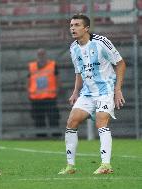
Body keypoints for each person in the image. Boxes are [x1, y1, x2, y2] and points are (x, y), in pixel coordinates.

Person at [58, 14, 126, 175]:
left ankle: (106, 165)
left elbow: (121, 63)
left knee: (101, 122)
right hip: (87, 93)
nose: (72, 28)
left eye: (76, 25)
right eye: (71, 25)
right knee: (71, 121)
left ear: (86, 28)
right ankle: (70, 167)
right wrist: (75, 92)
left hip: (105, 90)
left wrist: (117, 90)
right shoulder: (73, 47)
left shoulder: (101, 42)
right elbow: (79, 72)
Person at [27, 48, 60, 137]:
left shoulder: (52, 65)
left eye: (43, 54)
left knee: (53, 118)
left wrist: (57, 89)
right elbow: (28, 80)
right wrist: (29, 92)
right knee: (38, 119)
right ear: (37, 56)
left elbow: (57, 79)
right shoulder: (32, 66)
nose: (41, 56)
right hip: (36, 98)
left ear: (46, 55)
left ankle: (55, 135)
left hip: (50, 96)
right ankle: (41, 136)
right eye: (39, 55)